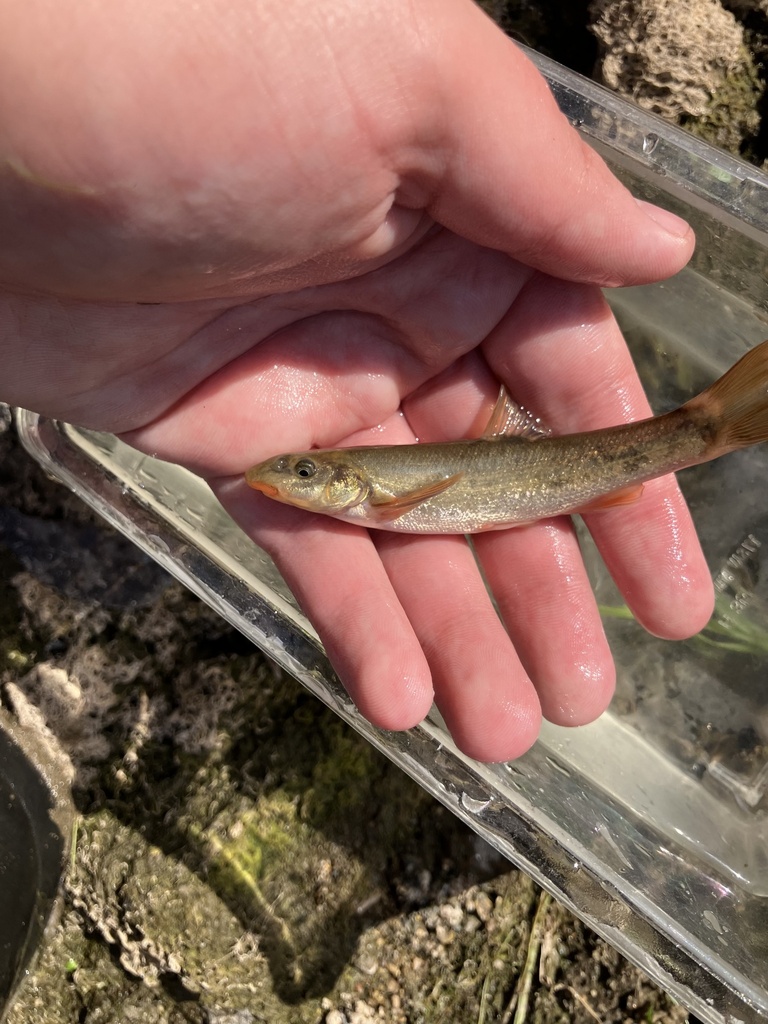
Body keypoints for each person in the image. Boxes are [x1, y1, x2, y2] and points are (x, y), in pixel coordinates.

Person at [0, 0, 713, 761]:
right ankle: (710, 427)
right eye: (304, 472)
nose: (289, 477)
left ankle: (711, 426)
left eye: (306, 473)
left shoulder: (374, 492)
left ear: (339, 476)